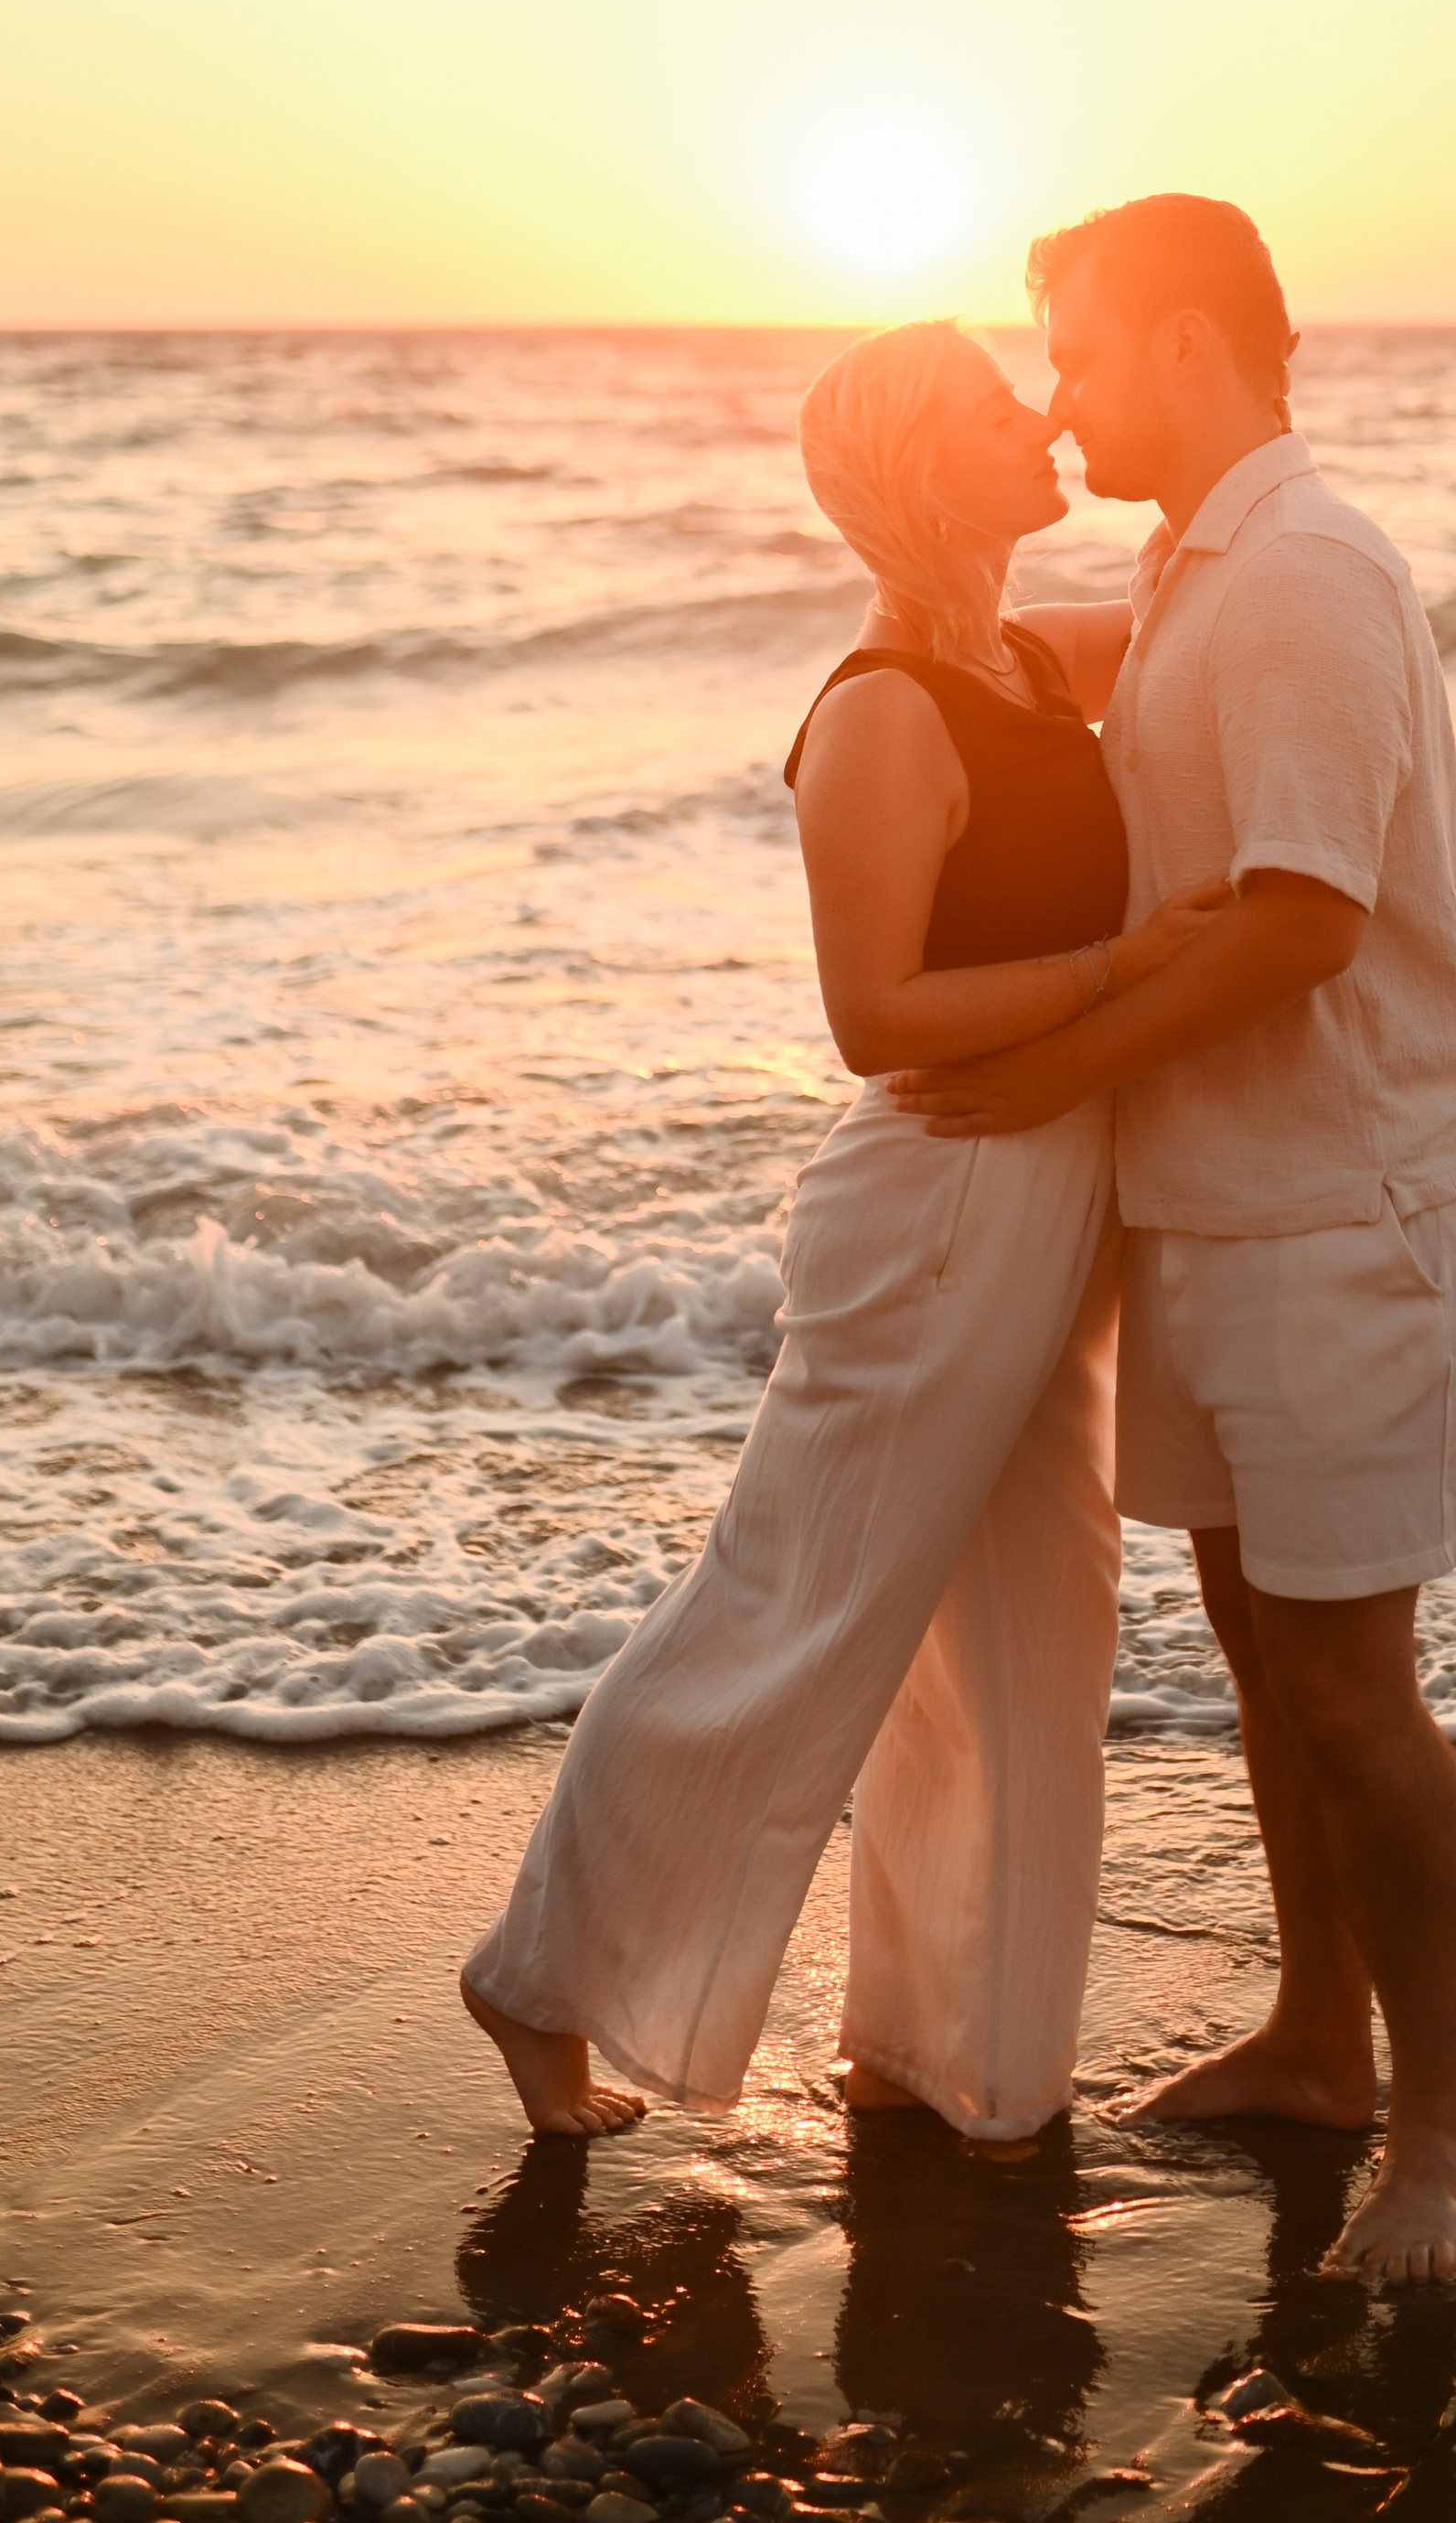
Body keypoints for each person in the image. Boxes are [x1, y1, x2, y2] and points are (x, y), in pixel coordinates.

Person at [461, 317, 1226, 2144]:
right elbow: (876, 1015)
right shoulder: (883, 707)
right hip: (939, 1202)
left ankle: (964, 2055)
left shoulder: (1023, 661)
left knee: (1028, 1633)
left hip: (1054, 1191)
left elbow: (1218, 622)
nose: (1038, 413)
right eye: (991, 404)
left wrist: (1275, 503)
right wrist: (1130, 967)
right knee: (799, 1605)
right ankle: (541, 1976)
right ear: (914, 468)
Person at [892, 195, 1456, 2284]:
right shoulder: (1192, 569)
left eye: (1073, 353)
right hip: (1218, 1206)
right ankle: (1316, 2041)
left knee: (1352, 1685)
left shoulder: (1308, 575)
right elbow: (1030, 676)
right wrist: (906, 618)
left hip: (1351, 1214)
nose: (1060, 398)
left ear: (1180, 340)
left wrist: (1059, 1060)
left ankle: (1440, 2137)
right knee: (1264, 1653)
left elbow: (1302, 921)